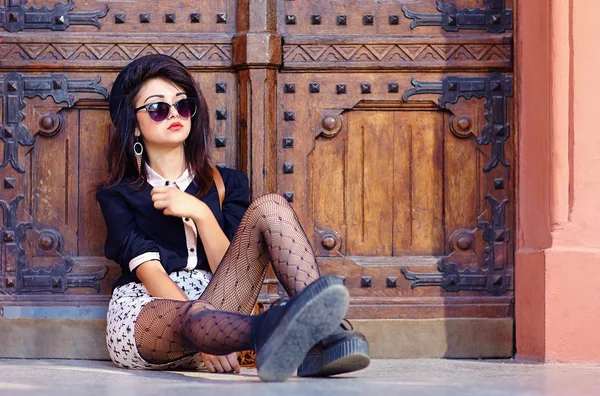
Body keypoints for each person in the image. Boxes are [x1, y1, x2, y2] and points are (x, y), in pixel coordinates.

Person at [96, 54, 369, 382]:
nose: (174, 115)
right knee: (194, 314)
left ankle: (328, 336)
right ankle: (271, 331)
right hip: (155, 315)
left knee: (271, 206)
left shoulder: (230, 184)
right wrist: (209, 333)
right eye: (158, 108)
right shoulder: (118, 195)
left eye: (182, 105)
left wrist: (199, 212)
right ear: (135, 124)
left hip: (222, 308)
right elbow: (151, 274)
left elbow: (233, 268)